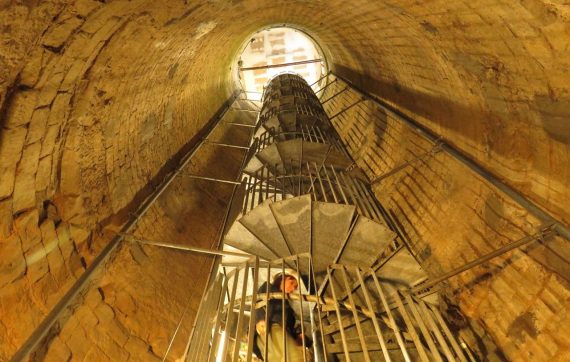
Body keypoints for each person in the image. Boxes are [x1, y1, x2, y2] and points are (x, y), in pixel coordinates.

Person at [252, 273, 309, 361]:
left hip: (279, 333)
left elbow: (289, 326)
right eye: (292, 284)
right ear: (285, 279)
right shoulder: (268, 287)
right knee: (295, 358)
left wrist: (297, 335)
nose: (293, 289)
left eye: (295, 287)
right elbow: (258, 301)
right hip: (270, 329)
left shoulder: (287, 307)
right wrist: (260, 319)